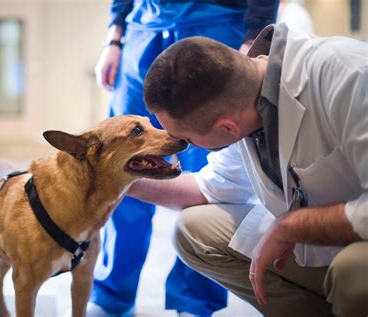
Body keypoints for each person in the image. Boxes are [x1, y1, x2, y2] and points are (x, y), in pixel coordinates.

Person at [125, 23, 367, 316]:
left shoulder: (350, 75)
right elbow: (209, 188)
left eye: (187, 139)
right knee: (195, 230)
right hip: (324, 243)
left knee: (354, 274)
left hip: (356, 245)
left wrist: (291, 226)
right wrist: (123, 179)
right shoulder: (245, 97)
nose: (182, 145)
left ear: (227, 127)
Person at [92, 1, 279, 316]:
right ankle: (112, 295)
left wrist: (253, 35)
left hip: (219, 21)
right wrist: (115, 35)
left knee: (212, 170)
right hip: (143, 27)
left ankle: (195, 301)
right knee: (124, 158)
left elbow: (221, 185)